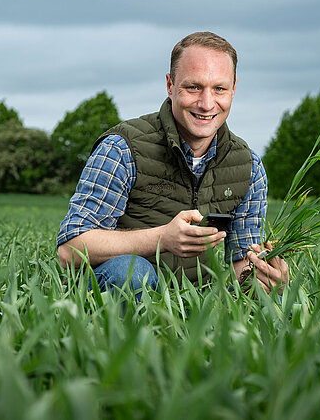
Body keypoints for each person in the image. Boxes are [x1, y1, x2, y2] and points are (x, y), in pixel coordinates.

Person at [57, 31, 288, 298]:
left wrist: (265, 278)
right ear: (170, 85)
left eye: (219, 89)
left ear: (233, 89)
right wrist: (162, 239)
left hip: (197, 302)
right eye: (193, 87)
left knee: (276, 301)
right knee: (130, 272)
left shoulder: (249, 166)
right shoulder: (122, 148)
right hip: (120, 295)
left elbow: (240, 264)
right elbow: (70, 249)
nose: (206, 103)